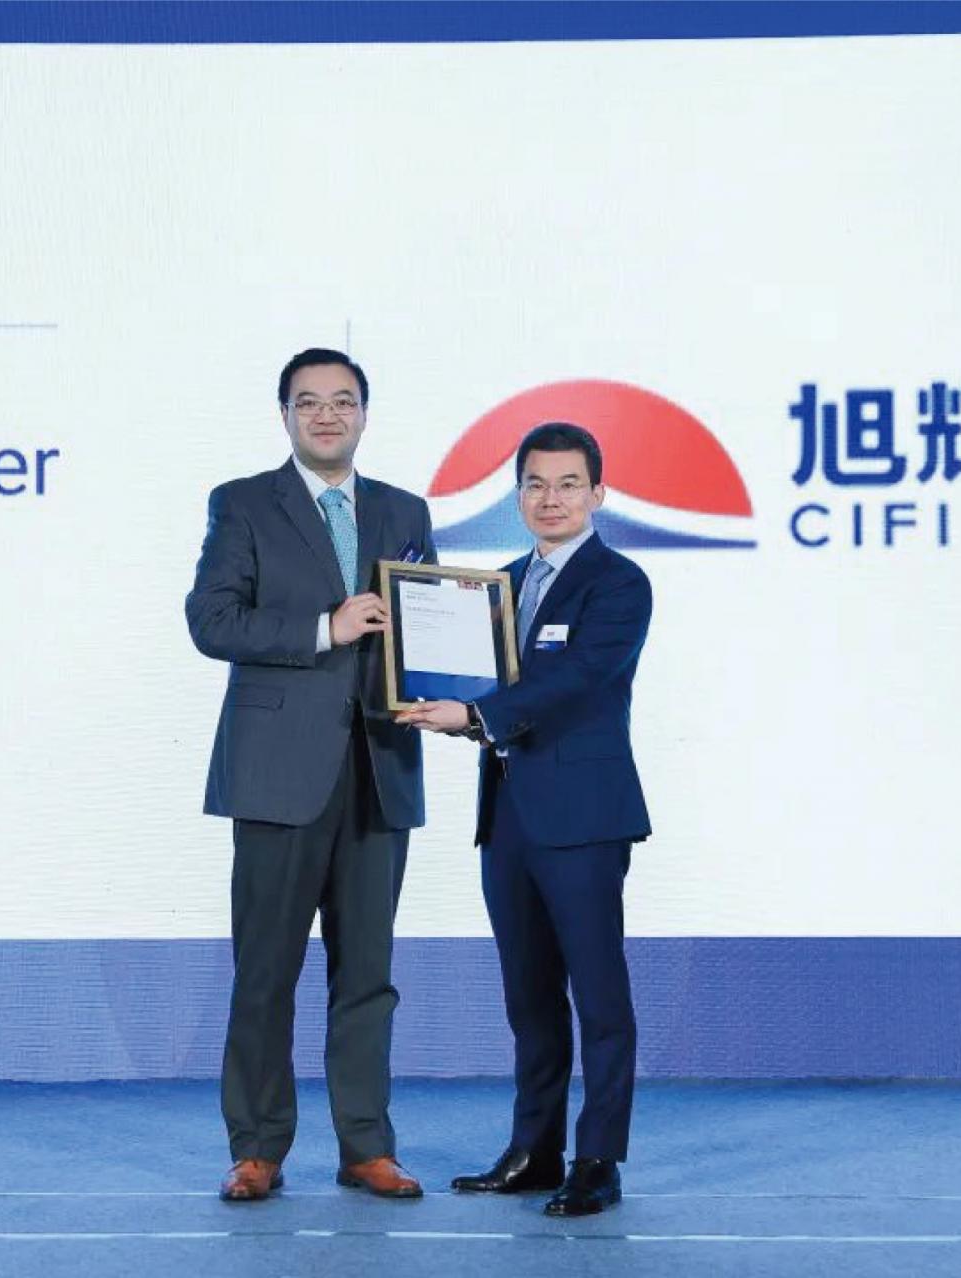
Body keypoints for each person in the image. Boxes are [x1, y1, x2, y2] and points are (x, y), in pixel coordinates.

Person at [186, 348, 436, 1203]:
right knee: (266, 973)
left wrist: (453, 674)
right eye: (309, 402)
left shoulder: (405, 510)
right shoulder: (243, 503)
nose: (327, 415)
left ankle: (367, 1146)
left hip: (380, 767)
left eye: (342, 401)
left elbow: (425, 625)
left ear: (364, 412)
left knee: (368, 976)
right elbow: (212, 620)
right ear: (286, 414)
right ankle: (257, 1147)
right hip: (276, 773)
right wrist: (325, 628)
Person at [397, 421, 650, 1217]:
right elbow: (466, 677)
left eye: (569, 484)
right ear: (517, 496)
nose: (551, 499)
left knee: (599, 998)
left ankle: (598, 1159)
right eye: (535, 484)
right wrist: (418, 683)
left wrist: (474, 716)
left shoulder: (619, 583)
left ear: (598, 494)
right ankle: (536, 1150)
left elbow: (577, 679)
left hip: (584, 818)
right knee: (529, 998)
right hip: (506, 816)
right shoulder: (497, 587)